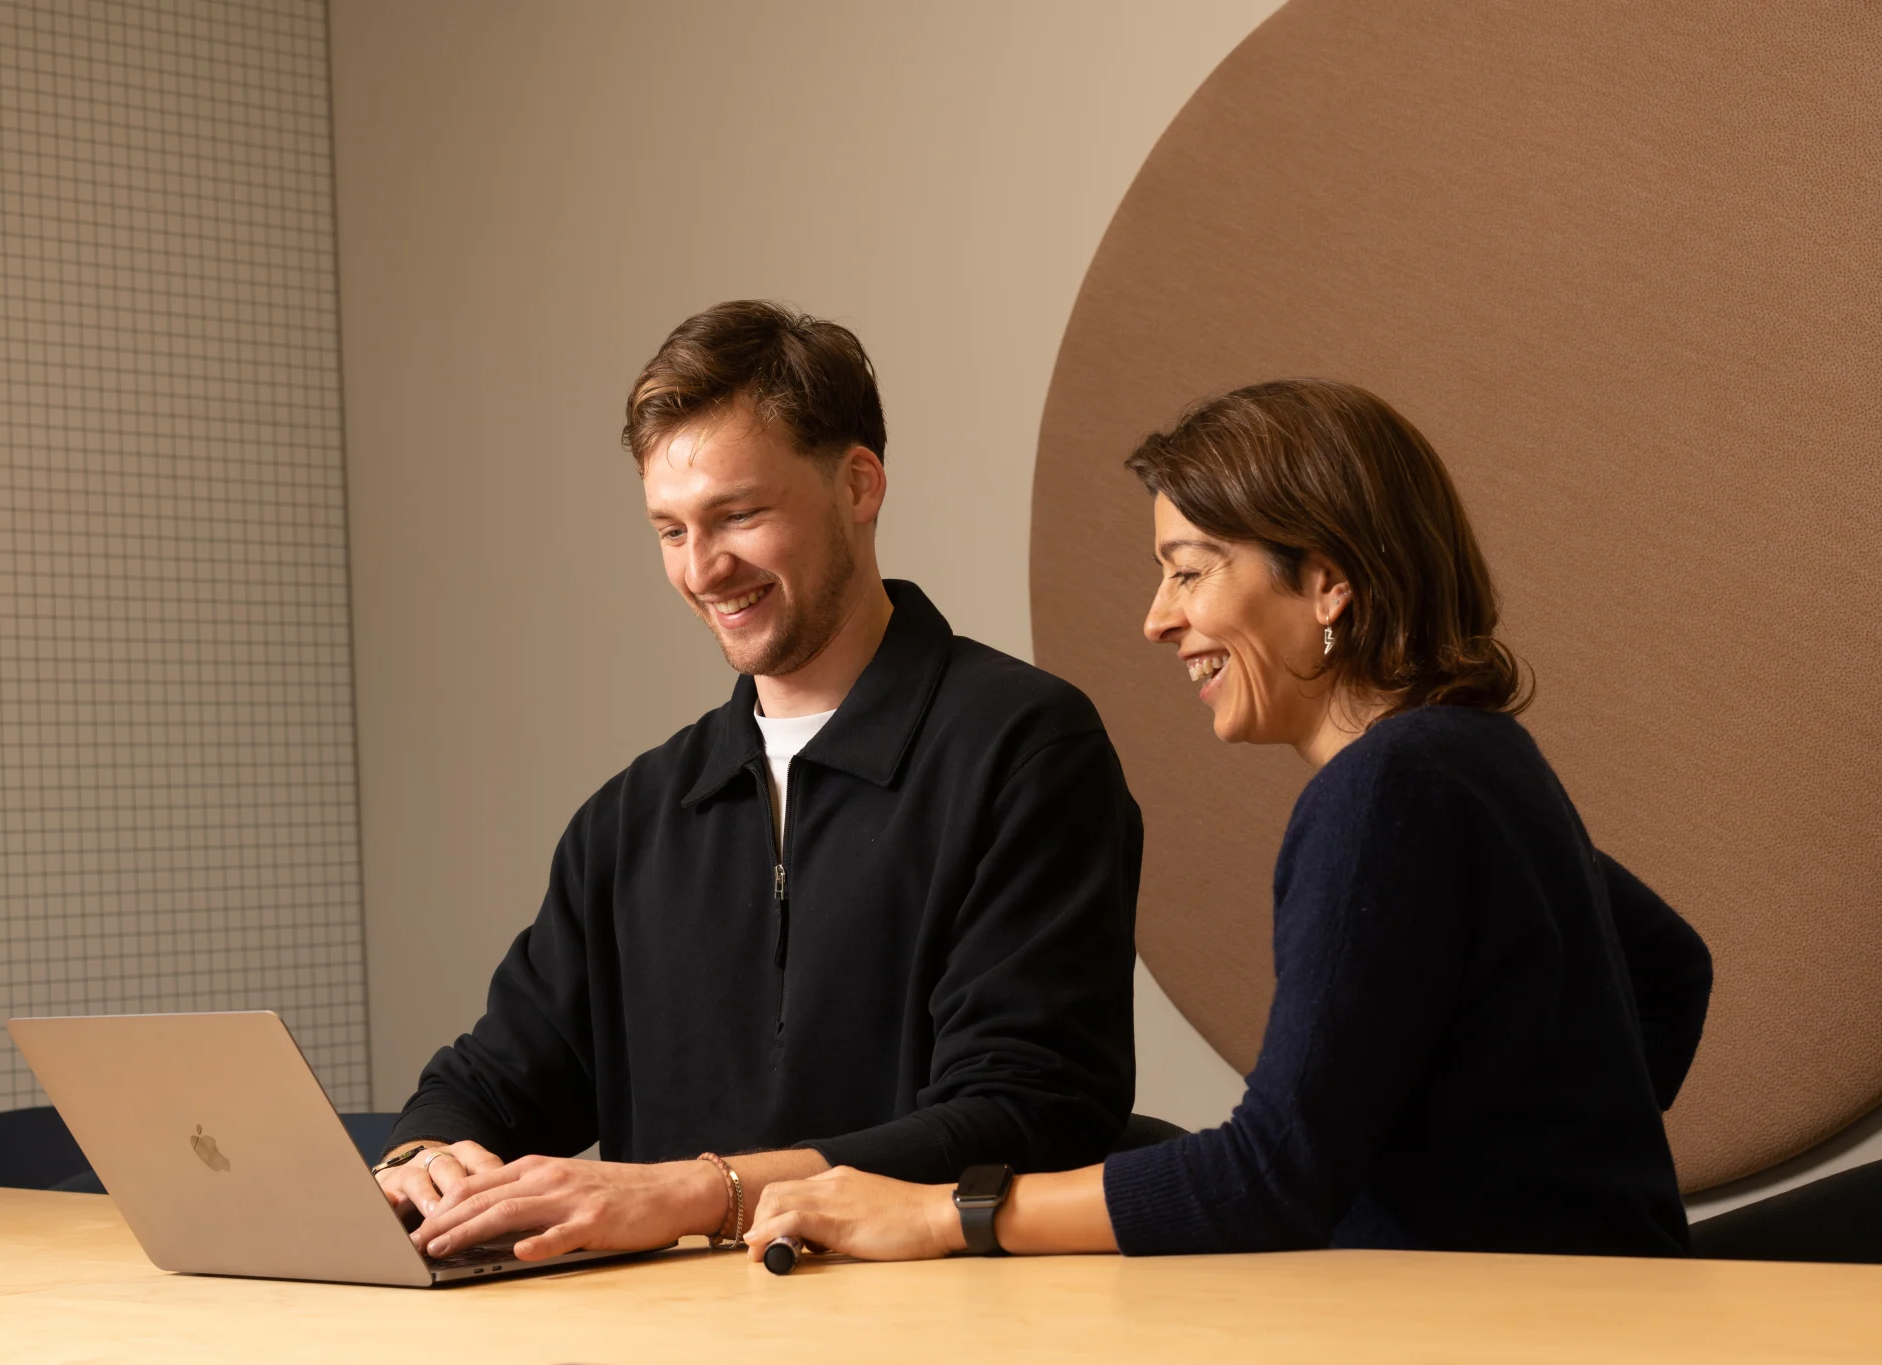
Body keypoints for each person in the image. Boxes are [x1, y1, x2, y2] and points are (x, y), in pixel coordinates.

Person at [746, 378, 1713, 1263]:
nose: (1157, 618)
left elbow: (1271, 1175)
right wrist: (1511, 1173)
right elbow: (1672, 968)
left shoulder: (1382, 790)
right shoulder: (1471, 754)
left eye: (1191, 570)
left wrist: (936, 1214)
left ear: (1329, 583)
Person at [378, 301, 1142, 1262]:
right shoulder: (633, 815)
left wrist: (707, 1191)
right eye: (670, 530)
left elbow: (1029, 1112)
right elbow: (496, 1078)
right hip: (673, 1336)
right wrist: (424, 1153)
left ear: (858, 485)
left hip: (934, 1331)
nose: (704, 568)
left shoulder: (1025, 748)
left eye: (739, 514)